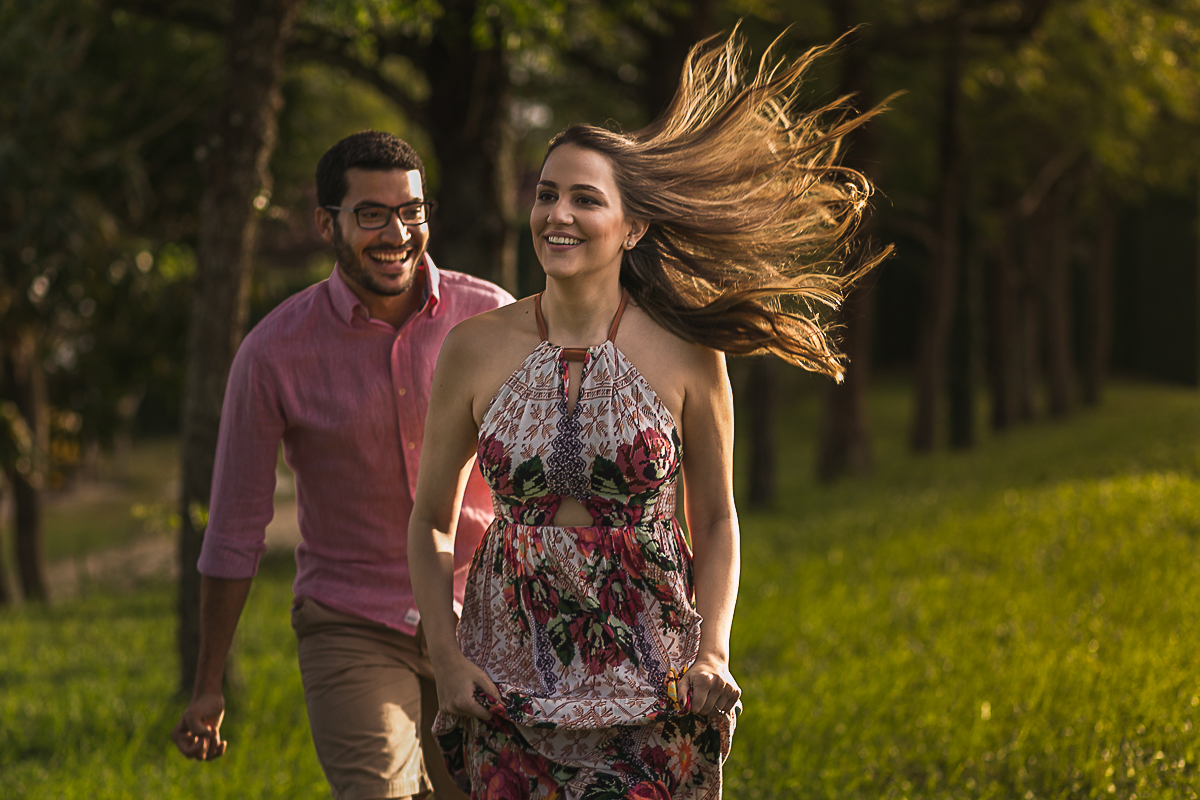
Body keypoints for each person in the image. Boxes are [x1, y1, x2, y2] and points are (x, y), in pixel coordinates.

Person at [407, 30, 887, 800]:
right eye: (545, 193)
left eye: (584, 198)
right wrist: (446, 655)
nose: (556, 214)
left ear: (632, 227)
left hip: (649, 666)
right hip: (505, 670)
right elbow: (431, 519)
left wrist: (714, 651)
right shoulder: (473, 348)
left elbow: (719, 520)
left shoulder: (689, 356)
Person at [171, 130, 514, 800]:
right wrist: (209, 682)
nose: (397, 232)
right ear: (326, 223)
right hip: (352, 619)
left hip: (487, 619)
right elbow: (235, 526)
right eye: (371, 214)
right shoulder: (273, 353)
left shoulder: (490, 319)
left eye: (411, 211)